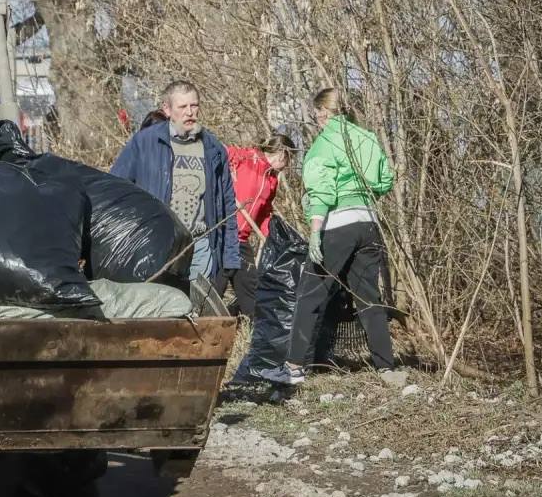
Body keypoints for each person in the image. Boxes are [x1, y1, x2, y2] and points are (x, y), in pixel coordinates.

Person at [254, 88, 396, 385]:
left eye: (317, 115)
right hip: (368, 223)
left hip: (336, 225)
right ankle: (387, 367)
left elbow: (322, 191)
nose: (316, 120)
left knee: (310, 293)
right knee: (369, 296)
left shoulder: (324, 143)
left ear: (323, 113)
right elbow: (385, 179)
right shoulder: (367, 138)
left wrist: (316, 230)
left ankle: (293, 369)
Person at [110, 80, 240, 297]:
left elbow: (227, 205)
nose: (190, 112)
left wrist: (230, 256)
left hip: (200, 243)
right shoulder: (145, 143)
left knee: (196, 312)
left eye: (194, 105)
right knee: (158, 309)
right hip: (156, 243)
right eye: (182, 107)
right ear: (167, 109)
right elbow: (115, 188)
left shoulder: (213, 149)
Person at [218, 133, 298, 316]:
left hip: (241, 240)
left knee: (252, 295)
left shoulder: (272, 179)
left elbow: (264, 212)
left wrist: (271, 237)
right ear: (281, 154)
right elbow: (220, 151)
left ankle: (258, 337)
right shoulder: (247, 158)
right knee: (213, 290)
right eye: (289, 158)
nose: (288, 165)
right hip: (222, 236)